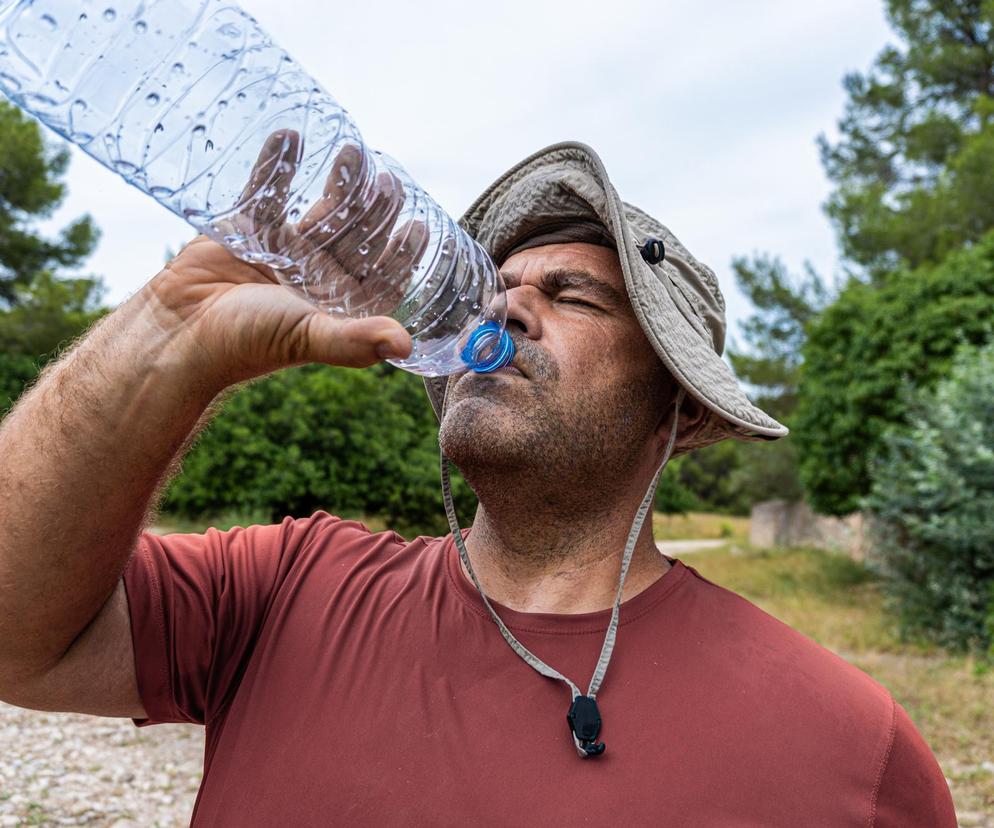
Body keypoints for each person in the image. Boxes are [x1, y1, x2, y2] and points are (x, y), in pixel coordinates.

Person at [0, 140, 956, 826]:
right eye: (497, 285)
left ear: (687, 412)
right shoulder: (286, 587)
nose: (507, 303)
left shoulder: (851, 754)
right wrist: (170, 331)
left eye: (573, 293)